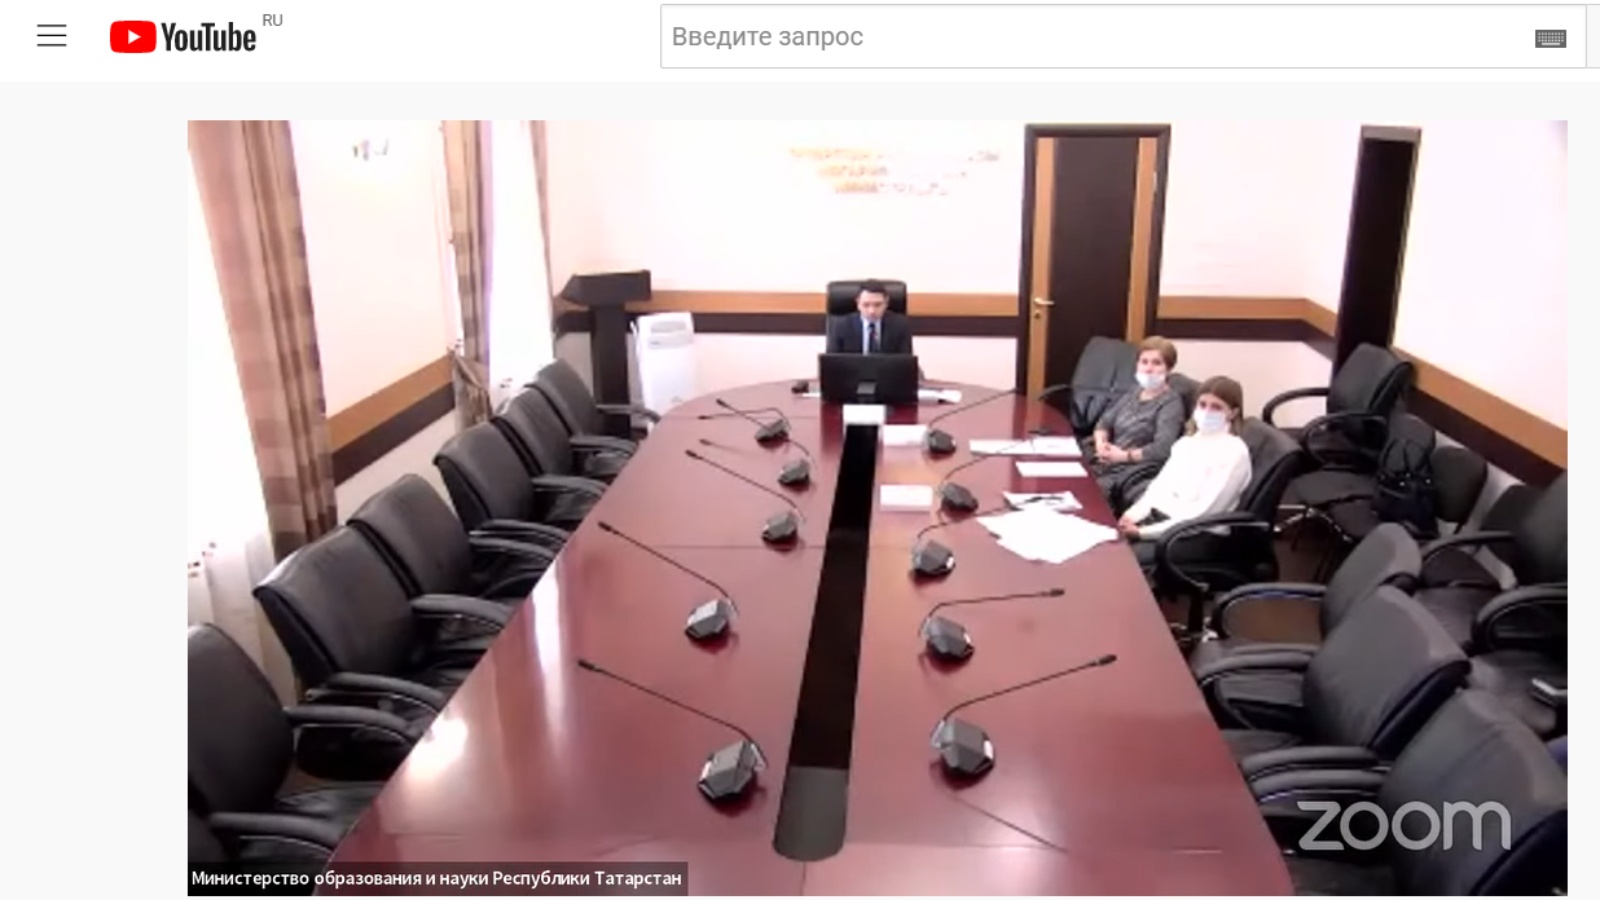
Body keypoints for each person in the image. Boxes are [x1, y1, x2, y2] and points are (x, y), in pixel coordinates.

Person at [1119, 376, 1253, 569]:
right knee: (1111, 548)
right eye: (1202, 404)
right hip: (1166, 522)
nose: (1207, 412)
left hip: (1198, 533)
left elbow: (1202, 513)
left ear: (1233, 413)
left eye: (1216, 407)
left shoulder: (1233, 453)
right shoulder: (1187, 443)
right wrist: (1131, 516)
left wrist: (1143, 533)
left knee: (1126, 562)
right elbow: (1159, 488)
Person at [1088, 336, 1186, 511]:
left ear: (1169, 368)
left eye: (1156, 363)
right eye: (1144, 362)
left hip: (1131, 472)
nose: (1148, 368)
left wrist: (1123, 456)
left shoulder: (1171, 403)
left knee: (1085, 496)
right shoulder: (1135, 391)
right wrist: (1101, 443)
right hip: (1105, 462)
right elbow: (1104, 422)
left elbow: (1162, 449)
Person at [825, 280, 914, 355]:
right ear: (858, 303)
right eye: (866, 305)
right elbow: (831, 363)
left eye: (878, 305)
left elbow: (905, 362)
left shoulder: (900, 325)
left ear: (886, 303)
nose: (872, 311)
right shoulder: (841, 326)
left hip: (888, 371)